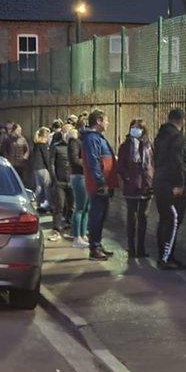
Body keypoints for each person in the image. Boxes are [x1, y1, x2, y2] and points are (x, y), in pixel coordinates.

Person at [153, 108, 186, 270]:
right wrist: (179, 185)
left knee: (165, 220)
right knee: (172, 221)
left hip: (160, 182)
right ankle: (166, 258)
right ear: (182, 119)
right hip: (172, 186)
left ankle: (164, 254)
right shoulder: (177, 137)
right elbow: (177, 162)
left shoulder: (160, 136)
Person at [81, 109, 118, 261]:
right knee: (97, 215)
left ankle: (97, 244)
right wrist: (100, 182)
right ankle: (94, 247)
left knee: (101, 215)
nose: (108, 123)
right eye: (106, 120)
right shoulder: (92, 139)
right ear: (98, 121)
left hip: (104, 184)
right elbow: (94, 161)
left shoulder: (97, 138)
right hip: (98, 185)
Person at [118, 118, 154, 258]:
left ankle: (141, 248)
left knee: (143, 217)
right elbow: (120, 166)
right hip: (131, 185)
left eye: (138, 127)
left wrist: (150, 180)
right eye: (133, 127)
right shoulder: (125, 146)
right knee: (131, 217)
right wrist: (127, 177)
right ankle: (131, 247)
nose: (135, 129)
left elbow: (152, 164)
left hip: (146, 186)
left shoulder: (148, 145)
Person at [47, 124, 72, 243]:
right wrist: (55, 179)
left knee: (72, 206)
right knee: (59, 206)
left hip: (72, 180)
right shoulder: (56, 147)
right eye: (65, 132)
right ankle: (56, 230)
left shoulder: (76, 146)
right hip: (60, 180)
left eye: (69, 132)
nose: (67, 134)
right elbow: (51, 163)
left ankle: (70, 229)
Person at [65, 127, 89, 248]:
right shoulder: (74, 142)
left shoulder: (79, 142)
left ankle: (83, 234)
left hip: (84, 176)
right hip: (79, 177)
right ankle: (76, 236)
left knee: (85, 208)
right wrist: (88, 161)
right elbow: (74, 160)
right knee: (80, 208)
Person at [29, 127, 53, 213]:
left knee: (39, 186)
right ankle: (49, 205)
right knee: (47, 186)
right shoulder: (43, 145)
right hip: (42, 168)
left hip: (36, 168)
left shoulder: (36, 145)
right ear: (45, 136)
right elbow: (46, 158)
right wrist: (50, 169)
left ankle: (36, 204)